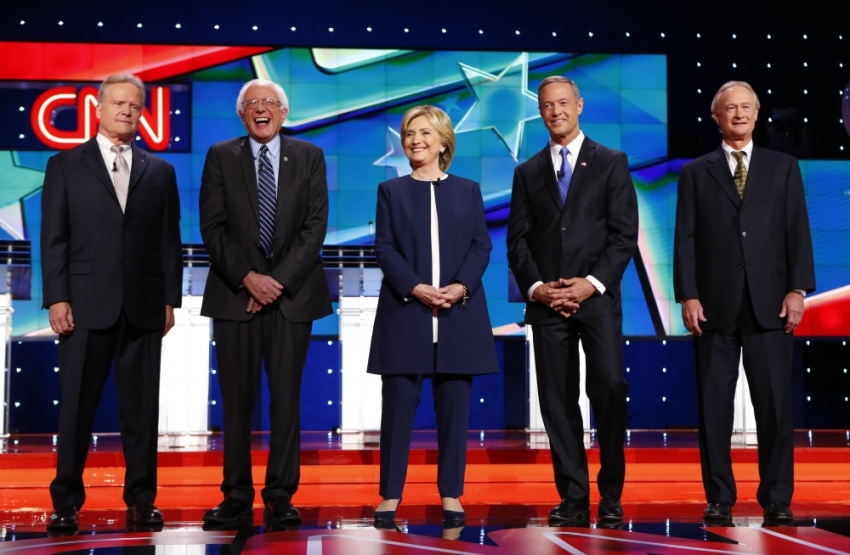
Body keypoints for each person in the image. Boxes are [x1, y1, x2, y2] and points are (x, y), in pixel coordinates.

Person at [41, 73, 183, 531]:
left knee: (141, 410)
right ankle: (66, 501)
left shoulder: (159, 171)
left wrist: (169, 299)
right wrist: (57, 296)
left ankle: (142, 500)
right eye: (118, 103)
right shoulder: (65, 166)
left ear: (143, 113)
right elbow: (53, 239)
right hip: (83, 306)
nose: (126, 111)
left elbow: (169, 241)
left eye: (135, 105)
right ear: (98, 109)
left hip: (143, 307)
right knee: (76, 408)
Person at [674, 81, 815, 523]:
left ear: (757, 114)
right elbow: (686, 240)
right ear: (715, 117)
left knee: (774, 406)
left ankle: (777, 497)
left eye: (746, 107)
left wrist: (798, 289)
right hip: (714, 305)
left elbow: (798, 231)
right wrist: (688, 295)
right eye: (729, 108)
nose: (738, 114)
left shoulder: (783, 167)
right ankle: (719, 496)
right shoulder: (696, 172)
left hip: (770, 303)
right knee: (714, 407)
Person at [199, 79, 332, 526]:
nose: (261, 109)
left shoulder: (309, 157)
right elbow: (213, 226)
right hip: (235, 296)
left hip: (292, 298)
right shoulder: (220, 155)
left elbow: (314, 228)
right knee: (235, 402)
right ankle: (236, 494)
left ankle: (280, 493)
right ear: (241, 115)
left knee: (286, 401)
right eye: (252, 103)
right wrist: (248, 278)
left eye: (269, 103)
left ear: (284, 112)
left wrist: (275, 282)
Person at [506, 76, 638, 523]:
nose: (555, 111)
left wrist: (590, 283)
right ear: (539, 112)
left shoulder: (611, 162)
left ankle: (612, 495)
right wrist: (538, 288)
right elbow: (518, 242)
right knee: (557, 399)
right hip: (546, 304)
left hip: (597, 301)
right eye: (547, 105)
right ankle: (574, 497)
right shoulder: (527, 172)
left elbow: (624, 236)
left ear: (579, 105)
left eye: (563, 102)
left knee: (608, 390)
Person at [367, 105, 498, 524]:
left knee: (455, 412)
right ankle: (390, 495)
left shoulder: (468, 190)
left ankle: (452, 495)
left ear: (443, 141)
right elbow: (385, 248)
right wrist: (417, 288)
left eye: (423, 132)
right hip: (406, 313)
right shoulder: (392, 192)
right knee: (398, 408)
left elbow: (482, 246)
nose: (414, 139)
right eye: (408, 133)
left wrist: (459, 288)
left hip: (459, 315)